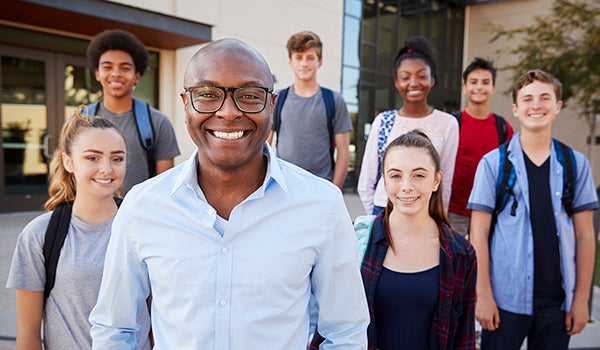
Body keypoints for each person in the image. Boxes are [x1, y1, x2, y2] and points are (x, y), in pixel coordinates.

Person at [89, 38, 369, 349]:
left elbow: (346, 333)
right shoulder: (142, 206)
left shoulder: (322, 205)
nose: (229, 112)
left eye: (249, 96)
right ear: (185, 104)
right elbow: (114, 330)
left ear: (272, 105)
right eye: (208, 95)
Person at [468, 69, 598, 350]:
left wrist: (580, 300)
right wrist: (484, 295)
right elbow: (477, 234)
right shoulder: (493, 165)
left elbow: (586, 236)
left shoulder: (576, 165)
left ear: (558, 106)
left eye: (544, 98)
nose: (536, 105)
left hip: (557, 303)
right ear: (515, 108)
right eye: (527, 99)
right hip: (505, 301)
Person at [313, 130, 477, 349]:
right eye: (396, 175)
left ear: (436, 180)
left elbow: (463, 340)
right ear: (384, 180)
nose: (406, 186)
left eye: (419, 175)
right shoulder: (357, 240)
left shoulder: (461, 253)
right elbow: (329, 323)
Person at [5, 109, 151, 349]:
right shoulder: (39, 235)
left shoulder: (144, 227)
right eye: (92, 158)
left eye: (117, 158)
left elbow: (158, 316)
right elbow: (28, 335)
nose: (107, 169)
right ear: (68, 162)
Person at [357, 36, 459, 216]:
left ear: (432, 79)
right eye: (405, 77)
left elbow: (446, 180)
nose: (414, 83)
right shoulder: (383, 121)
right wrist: (377, 219)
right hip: (384, 209)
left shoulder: (448, 123)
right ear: (397, 82)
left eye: (421, 76)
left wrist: (438, 219)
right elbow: (366, 181)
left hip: (427, 212)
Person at [86, 29, 180, 193]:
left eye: (125, 68)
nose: (116, 74)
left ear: (137, 76)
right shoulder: (82, 120)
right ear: (97, 74)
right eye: (107, 67)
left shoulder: (157, 123)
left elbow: (166, 187)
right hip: (90, 215)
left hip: (140, 216)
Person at [267, 30, 352, 189]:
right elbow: (264, 144)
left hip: (321, 186)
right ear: (290, 62)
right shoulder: (277, 99)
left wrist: (335, 190)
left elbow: (344, 151)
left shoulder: (334, 100)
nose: (304, 63)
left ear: (320, 61)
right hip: (283, 186)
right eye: (298, 58)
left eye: (310, 58)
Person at [448, 57, 514, 236]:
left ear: (493, 88)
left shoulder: (503, 127)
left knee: (485, 262)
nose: (479, 87)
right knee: (454, 262)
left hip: (489, 209)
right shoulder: (452, 123)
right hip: (454, 211)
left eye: (485, 82)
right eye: (473, 82)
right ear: (464, 87)